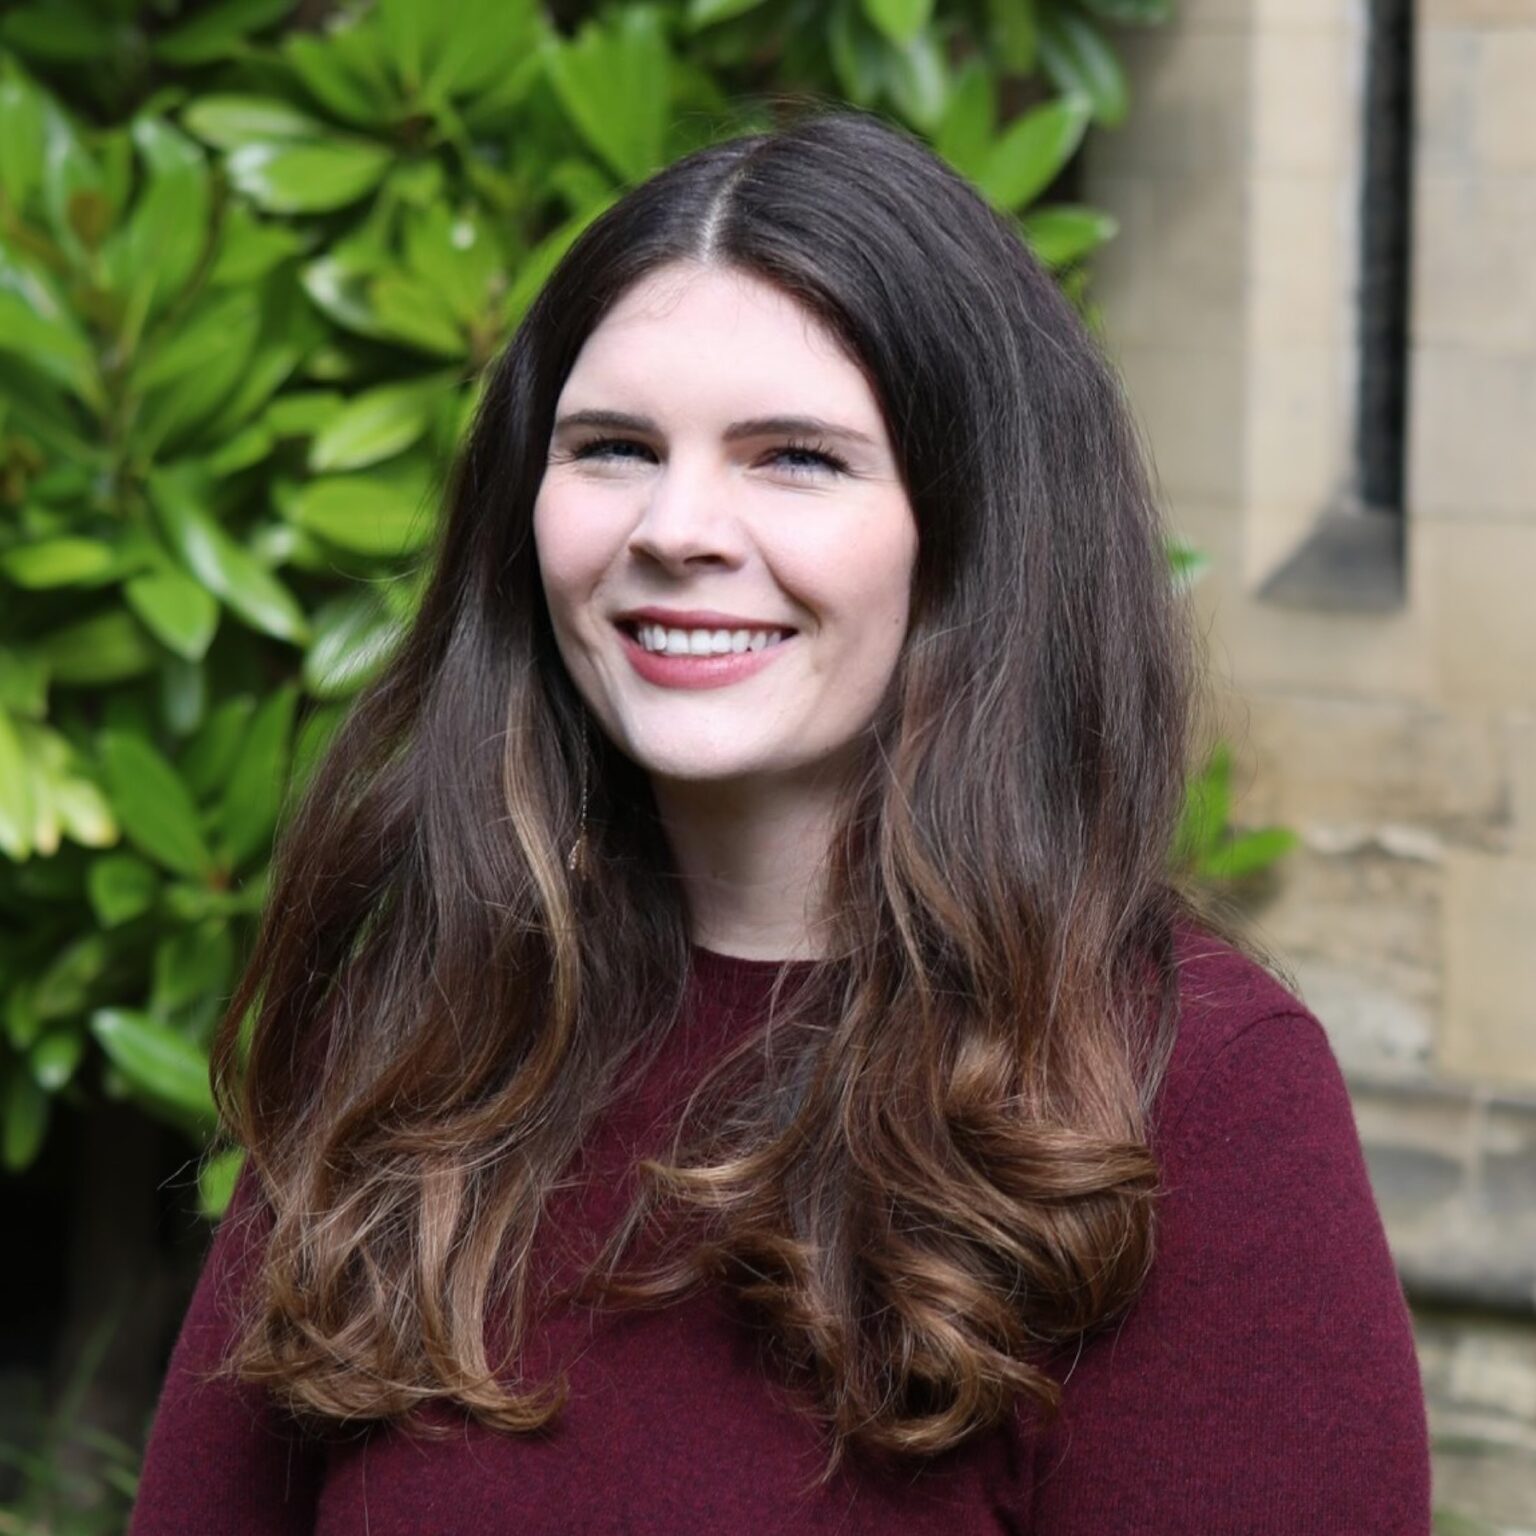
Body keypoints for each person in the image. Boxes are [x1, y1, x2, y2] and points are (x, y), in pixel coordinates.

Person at [128, 105, 1432, 1534]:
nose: (675, 528)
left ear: (976, 534)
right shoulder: (423, 1032)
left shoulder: (1191, 1098)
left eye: (796, 457)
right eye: (613, 447)